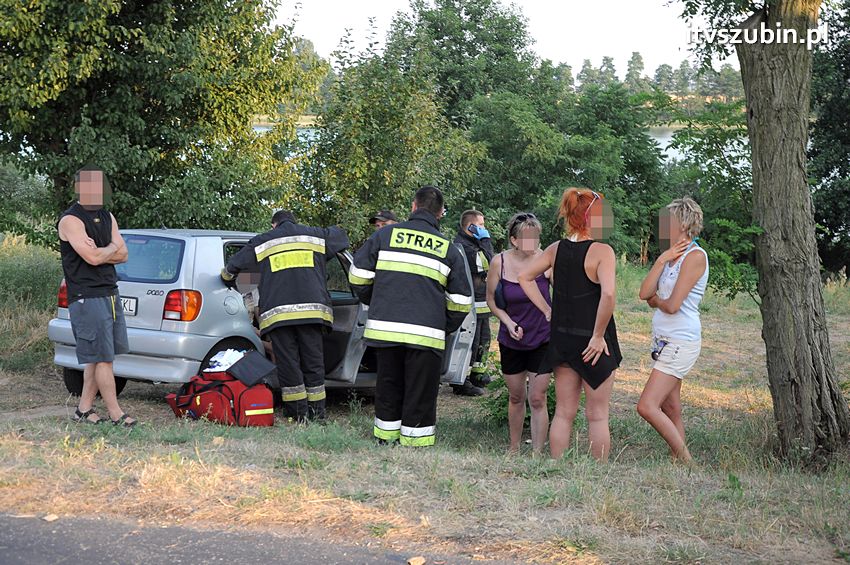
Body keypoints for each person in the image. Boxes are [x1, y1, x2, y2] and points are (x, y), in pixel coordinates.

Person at [349, 186, 473, 446]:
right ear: (440, 213)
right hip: (427, 335)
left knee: (387, 387)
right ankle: (415, 444)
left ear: (413, 207)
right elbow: (462, 301)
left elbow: (357, 275)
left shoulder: (384, 235)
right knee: (421, 392)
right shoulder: (448, 249)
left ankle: (385, 439)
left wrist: (378, 301)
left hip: (385, 329)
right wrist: (442, 323)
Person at [518, 188, 621, 461]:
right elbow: (609, 294)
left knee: (564, 411)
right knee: (597, 415)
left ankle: (557, 468)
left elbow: (524, 277)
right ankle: (597, 474)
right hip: (593, 342)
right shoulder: (602, 251)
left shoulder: (555, 249)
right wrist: (598, 336)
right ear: (591, 217)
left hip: (563, 340)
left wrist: (547, 310)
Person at [221, 209, 350, 423]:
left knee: (289, 363)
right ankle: (318, 414)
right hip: (312, 313)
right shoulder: (315, 235)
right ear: (293, 221)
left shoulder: (262, 241)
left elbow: (231, 269)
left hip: (279, 317)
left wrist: (226, 280)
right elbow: (341, 237)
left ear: (274, 225)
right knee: (314, 362)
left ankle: (297, 414)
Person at [57, 166, 135, 427]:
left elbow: (123, 254)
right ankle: (116, 414)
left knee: (99, 355)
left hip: (110, 292)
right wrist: (110, 249)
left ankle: (83, 409)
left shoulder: (107, 215)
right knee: (103, 358)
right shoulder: (71, 220)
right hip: (86, 296)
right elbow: (90, 258)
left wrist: (107, 249)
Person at [637, 197, 708, 463]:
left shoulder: (695, 257)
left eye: (667, 220)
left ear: (682, 223)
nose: (662, 225)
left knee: (646, 406)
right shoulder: (670, 256)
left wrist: (656, 301)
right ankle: (678, 463)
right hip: (663, 339)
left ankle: (687, 461)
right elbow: (643, 292)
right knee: (671, 406)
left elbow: (672, 305)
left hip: (681, 340)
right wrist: (661, 259)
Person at [486, 212, 552, 454]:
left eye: (535, 237)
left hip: (542, 337)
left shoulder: (546, 261)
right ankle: (513, 448)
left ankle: (536, 453)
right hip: (511, 338)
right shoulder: (499, 262)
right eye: (526, 238)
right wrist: (508, 321)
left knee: (537, 397)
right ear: (513, 240)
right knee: (516, 396)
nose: (532, 243)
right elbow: (491, 300)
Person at [453, 209, 495, 396]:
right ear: (470, 226)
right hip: (469, 303)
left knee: (484, 339)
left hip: (481, 302)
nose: (484, 229)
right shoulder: (463, 246)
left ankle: (478, 374)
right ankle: (461, 381)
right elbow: (488, 263)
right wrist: (485, 240)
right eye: (480, 225)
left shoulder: (472, 243)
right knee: (471, 341)